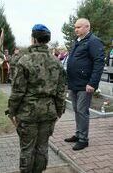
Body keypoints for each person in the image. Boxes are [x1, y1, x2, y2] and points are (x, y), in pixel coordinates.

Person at [7, 24, 66, 173]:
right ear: (47, 40)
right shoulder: (56, 62)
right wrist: (59, 111)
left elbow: (17, 91)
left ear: (33, 39)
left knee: (27, 148)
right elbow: (60, 91)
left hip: (28, 114)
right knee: (42, 147)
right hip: (48, 112)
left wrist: (12, 111)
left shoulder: (24, 61)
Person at [64, 18, 105, 150]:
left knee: (82, 111)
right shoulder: (77, 41)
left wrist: (92, 83)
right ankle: (78, 134)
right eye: (75, 27)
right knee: (76, 110)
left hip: (85, 84)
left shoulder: (94, 41)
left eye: (79, 27)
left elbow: (99, 62)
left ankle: (83, 139)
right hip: (74, 83)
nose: (76, 29)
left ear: (87, 27)